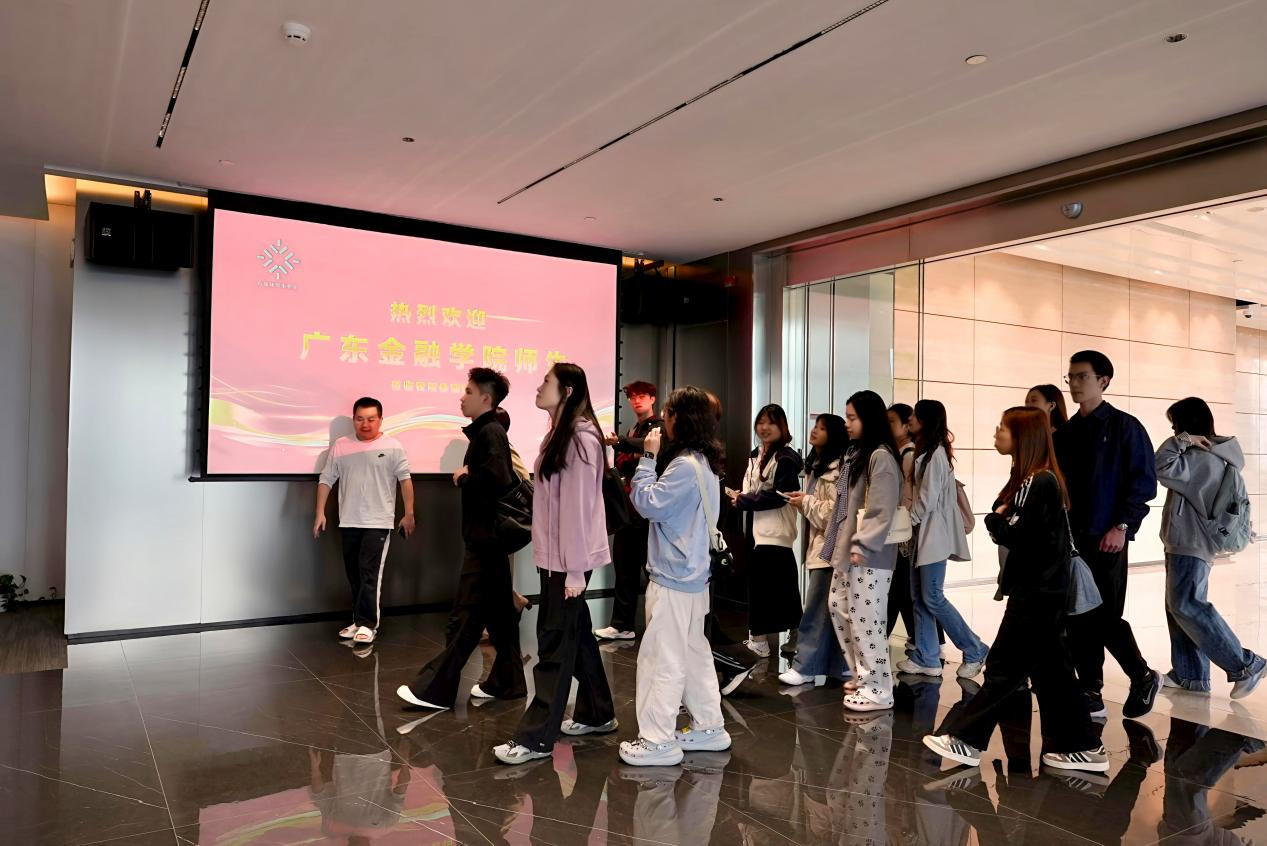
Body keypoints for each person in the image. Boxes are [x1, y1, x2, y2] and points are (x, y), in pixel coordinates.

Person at [922, 406, 1109, 773]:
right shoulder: (1035, 480)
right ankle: (1084, 747)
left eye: (1003, 428)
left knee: (1004, 669)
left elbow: (1018, 535)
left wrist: (995, 520)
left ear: (1023, 437)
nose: (997, 432)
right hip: (1041, 592)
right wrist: (1002, 515)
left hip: (1038, 594)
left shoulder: (1040, 482)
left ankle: (965, 739)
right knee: (1053, 675)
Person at [493, 363, 617, 764]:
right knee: (576, 638)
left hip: (569, 561)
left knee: (554, 645)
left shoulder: (580, 440)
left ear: (567, 390)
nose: (538, 386)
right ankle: (598, 712)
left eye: (546, 381)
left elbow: (579, 511)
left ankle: (536, 738)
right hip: (558, 559)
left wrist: (576, 571)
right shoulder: (558, 435)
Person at [397, 369, 527, 711]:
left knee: (465, 618)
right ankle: (509, 682)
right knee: (499, 617)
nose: (462, 396)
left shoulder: (490, 432)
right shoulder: (486, 431)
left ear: (486, 397)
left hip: (486, 541)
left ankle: (435, 690)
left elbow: (497, 480)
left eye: (468, 391)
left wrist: (464, 478)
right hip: (488, 540)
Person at [619, 386, 732, 766]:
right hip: (692, 576)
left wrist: (647, 459)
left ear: (681, 419)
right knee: (693, 654)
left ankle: (657, 741)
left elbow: (647, 503)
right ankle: (709, 726)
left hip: (673, 576)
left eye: (668, 413)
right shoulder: (704, 462)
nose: (663, 420)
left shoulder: (683, 465)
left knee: (661, 659)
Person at [1054, 350, 1160, 719]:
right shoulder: (1067, 433)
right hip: (1072, 539)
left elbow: (1143, 483)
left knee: (1103, 615)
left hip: (1107, 536)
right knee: (1078, 615)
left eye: (1082, 376)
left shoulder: (1124, 427)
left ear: (1103, 381)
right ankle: (1091, 689)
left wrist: (1123, 525)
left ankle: (1142, 675)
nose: (1074, 384)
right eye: (1071, 377)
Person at [1155, 396, 1266, 698]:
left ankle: (1245, 664)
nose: (1174, 431)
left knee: (1187, 605)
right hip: (1186, 542)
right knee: (1178, 607)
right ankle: (1190, 675)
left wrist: (1182, 440)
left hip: (1190, 543)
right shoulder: (1210, 457)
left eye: (1176, 425)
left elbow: (1160, 466)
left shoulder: (1200, 459)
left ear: (1188, 424)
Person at [823, 390, 902, 712]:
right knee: (839, 606)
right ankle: (863, 675)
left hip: (869, 553)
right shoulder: (859, 454)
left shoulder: (880, 457)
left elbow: (881, 508)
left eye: (852, 417)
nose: (847, 423)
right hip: (852, 549)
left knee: (867, 620)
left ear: (868, 419)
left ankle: (878, 688)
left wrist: (862, 545)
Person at [898, 399, 988, 678]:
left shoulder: (935, 455)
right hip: (922, 536)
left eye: (915, 415)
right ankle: (927, 657)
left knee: (932, 597)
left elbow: (926, 500)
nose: (910, 419)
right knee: (920, 597)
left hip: (932, 536)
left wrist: (904, 525)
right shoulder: (927, 453)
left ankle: (974, 648)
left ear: (926, 421)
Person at [314, 397, 414, 645]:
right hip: (349, 520)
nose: (365, 424)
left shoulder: (393, 446)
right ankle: (358, 621)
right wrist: (320, 512)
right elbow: (326, 479)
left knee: (369, 573)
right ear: (353, 419)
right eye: (360, 419)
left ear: (380, 420)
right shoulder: (341, 445)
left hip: (378, 521)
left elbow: (405, 480)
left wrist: (409, 513)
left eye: (371, 419)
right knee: (354, 574)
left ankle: (369, 624)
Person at [781, 413, 851, 687]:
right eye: (815, 426)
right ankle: (838, 667)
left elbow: (834, 513)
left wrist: (805, 502)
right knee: (828, 611)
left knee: (815, 611)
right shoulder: (817, 465)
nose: (814, 431)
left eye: (821, 428)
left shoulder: (839, 467)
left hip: (829, 548)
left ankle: (805, 666)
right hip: (820, 546)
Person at [729, 405, 804, 658]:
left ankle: (760, 641)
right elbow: (753, 488)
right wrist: (742, 497)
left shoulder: (786, 458)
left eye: (771, 422)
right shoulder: (756, 454)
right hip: (758, 531)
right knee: (778, 587)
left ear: (782, 426)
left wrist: (744, 500)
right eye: (760, 422)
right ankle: (794, 633)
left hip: (775, 532)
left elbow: (781, 496)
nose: (764, 427)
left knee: (767, 588)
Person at [596, 380, 664, 641]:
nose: (637, 401)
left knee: (649, 569)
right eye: (633, 397)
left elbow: (647, 447)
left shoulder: (657, 427)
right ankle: (621, 624)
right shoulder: (634, 428)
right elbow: (630, 458)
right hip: (629, 507)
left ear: (652, 399)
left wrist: (623, 443)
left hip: (645, 510)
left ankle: (654, 625)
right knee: (624, 568)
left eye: (642, 396)